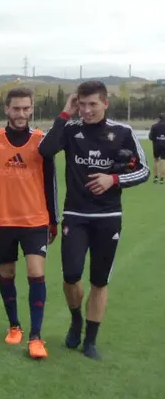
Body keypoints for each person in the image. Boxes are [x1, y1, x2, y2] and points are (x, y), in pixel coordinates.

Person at [39, 80, 149, 360]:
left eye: (92, 104)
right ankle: (76, 320)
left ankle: (90, 339)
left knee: (99, 281)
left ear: (105, 103)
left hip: (108, 217)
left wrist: (112, 179)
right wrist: (65, 113)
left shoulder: (122, 133)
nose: (86, 110)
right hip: (75, 216)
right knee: (71, 275)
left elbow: (144, 171)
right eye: (82, 104)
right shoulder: (71, 129)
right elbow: (46, 149)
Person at [0, 87, 59, 359]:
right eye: (16, 108)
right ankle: (14, 326)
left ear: (32, 109)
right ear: (6, 109)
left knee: (35, 272)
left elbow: (50, 182)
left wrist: (53, 220)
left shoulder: (42, 141)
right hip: (2, 220)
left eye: (26, 108)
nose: (21, 113)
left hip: (35, 220)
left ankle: (36, 336)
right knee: (6, 274)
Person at [148, 113, 165, 184]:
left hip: (156, 145)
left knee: (156, 160)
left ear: (159, 118)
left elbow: (150, 137)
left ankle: (155, 177)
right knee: (163, 161)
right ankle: (162, 178)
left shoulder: (154, 126)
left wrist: (156, 140)